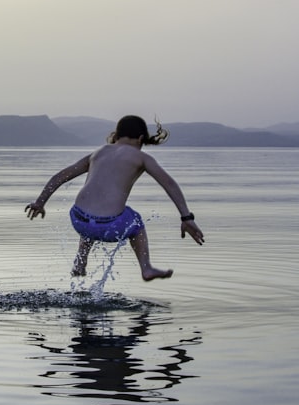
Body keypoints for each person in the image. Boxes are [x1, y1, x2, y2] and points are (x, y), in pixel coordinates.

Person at [25, 115, 204, 281]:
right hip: (109, 225)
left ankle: (80, 263)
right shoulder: (142, 157)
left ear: (116, 135)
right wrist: (186, 217)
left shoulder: (98, 153)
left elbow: (61, 175)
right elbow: (169, 184)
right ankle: (146, 268)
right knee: (135, 220)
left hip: (78, 220)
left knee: (91, 213)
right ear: (141, 139)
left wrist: (40, 202)